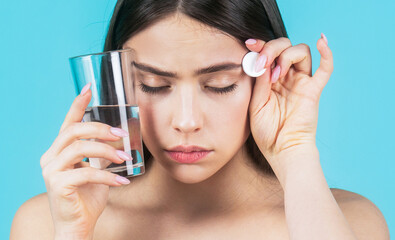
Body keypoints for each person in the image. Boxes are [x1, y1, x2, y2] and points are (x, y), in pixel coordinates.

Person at [11, 0, 390, 239]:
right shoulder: (46, 224)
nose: (187, 121)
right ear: (121, 83)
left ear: (267, 74)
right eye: (154, 84)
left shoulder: (351, 223)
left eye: (221, 84)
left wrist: (295, 152)